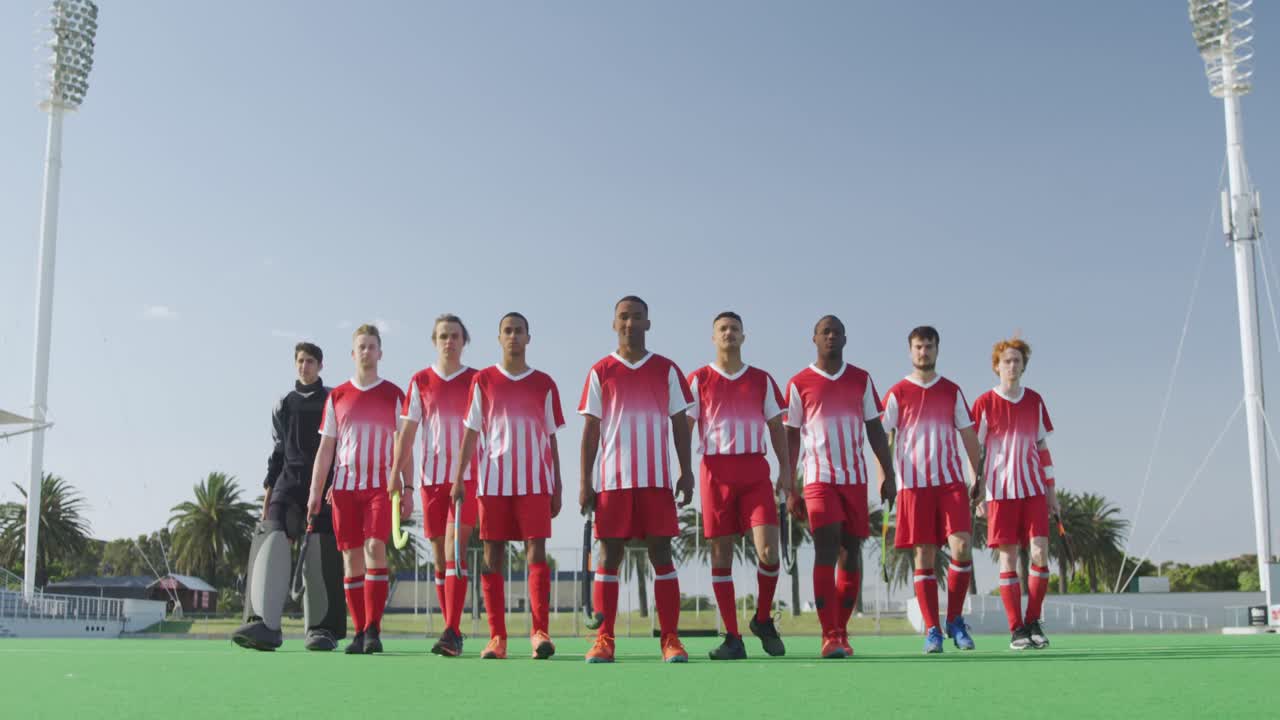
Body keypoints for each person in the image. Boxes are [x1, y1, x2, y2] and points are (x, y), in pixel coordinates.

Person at [579, 296, 694, 664]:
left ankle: (670, 638)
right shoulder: (600, 370)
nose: (630, 323)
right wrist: (584, 481)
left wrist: (686, 470)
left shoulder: (667, 369)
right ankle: (604, 639)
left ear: (648, 323)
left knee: (662, 555)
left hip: (656, 481)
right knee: (609, 556)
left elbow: (680, 424)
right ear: (615, 324)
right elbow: (590, 430)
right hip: (613, 482)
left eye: (637, 317)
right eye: (623, 317)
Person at [450, 312, 565, 660]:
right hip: (493, 481)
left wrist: (558, 485)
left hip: (534, 482)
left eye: (519, 331)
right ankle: (496, 637)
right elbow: (471, 432)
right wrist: (459, 477)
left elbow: (551, 437)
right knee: (492, 556)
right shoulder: (483, 380)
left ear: (529, 338)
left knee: (536, 552)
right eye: (507, 331)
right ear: (499, 338)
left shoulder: (544, 383)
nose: (513, 336)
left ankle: (539, 632)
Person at [784, 315, 896, 659]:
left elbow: (875, 429)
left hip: (855, 479)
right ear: (814, 339)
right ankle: (828, 634)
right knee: (827, 547)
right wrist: (789, 485)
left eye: (837, 332)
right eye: (825, 332)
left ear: (845, 339)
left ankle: (842, 631)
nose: (831, 336)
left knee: (851, 551)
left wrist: (888, 473)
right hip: (818, 479)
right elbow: (790, 436)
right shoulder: (799, 382)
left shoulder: (861, 379)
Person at [685, 311, 790, 660]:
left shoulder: (761, 379)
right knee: (721, 554)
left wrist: (786, 469)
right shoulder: (698, 379)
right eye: (723, 329)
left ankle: (762, 618)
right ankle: (732, 637)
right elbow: (685, 428)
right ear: (713, 337)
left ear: (744, 336)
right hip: (715, 472)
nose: (729, 333)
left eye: (734, 329)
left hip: (755, 470)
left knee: (769, 552)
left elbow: (776, 426)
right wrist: (683, 470)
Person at [233, 342, 346, 652]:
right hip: (288, 482)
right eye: (300, 361)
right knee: (272, 536)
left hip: (323, 484)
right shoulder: (283, 403)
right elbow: (278, 451)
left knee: (319, 551)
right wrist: (267, 496)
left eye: (310, 361)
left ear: (320, 366)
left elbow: (341, 448)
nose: (304, 366)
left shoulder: (334, 399)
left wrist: (337, 483)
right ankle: (264, 623)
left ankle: (322, 628)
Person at [879, 326, 983, 653]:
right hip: (913, 486)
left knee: (961, 547)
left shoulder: (951, 391)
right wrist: (884, 478)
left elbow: (969, 436)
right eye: (918, 347)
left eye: (929, 346)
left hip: (950, 483)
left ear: (937, 350)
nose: (923, 352)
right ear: (910, 351)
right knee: (923, 555)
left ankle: (954, 620)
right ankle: (933, 630)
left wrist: (979, 478)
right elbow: (882, 438)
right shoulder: (897, 392)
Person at [307, 324, 407, 655]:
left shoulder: (394, 394)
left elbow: (404, 444)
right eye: (361, 346)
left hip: (380, 486)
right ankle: (360, 630)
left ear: (380, 353)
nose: (366, 351)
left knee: (375, 548)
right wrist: (315, 491)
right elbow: (326, 449)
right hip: (344, 488)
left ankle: (374, 629)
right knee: (351, 559)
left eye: (371, 346)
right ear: (353, 354)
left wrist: (406, 487)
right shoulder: (337, 397)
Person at [391, 314, 478, 657]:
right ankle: (450, 628)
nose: (449, 341)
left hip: (467, 480)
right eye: (443, 336)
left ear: (463, 341)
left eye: (455, 336)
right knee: (441, 559)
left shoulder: (477, 380)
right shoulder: (420, 381)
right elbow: (407, 433)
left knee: (456, 553)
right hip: (430, 481)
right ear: (434, 341)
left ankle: (452, 631)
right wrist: (396, 474)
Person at [971, 337, 1057, 650]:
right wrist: (977, 492)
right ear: (997, 366)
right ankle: (1016, 628)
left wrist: (1051, 491)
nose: (1012, 365)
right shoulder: (984, 403)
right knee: (1007, 557)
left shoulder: (1034, 400)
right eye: (1006, 361)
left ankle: (1033, 621)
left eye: (1017, 361)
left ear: (1024, 366)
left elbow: (1042, 446)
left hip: (1033, 489)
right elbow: (975, 451)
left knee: (1039, 552)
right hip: (1000, 492)